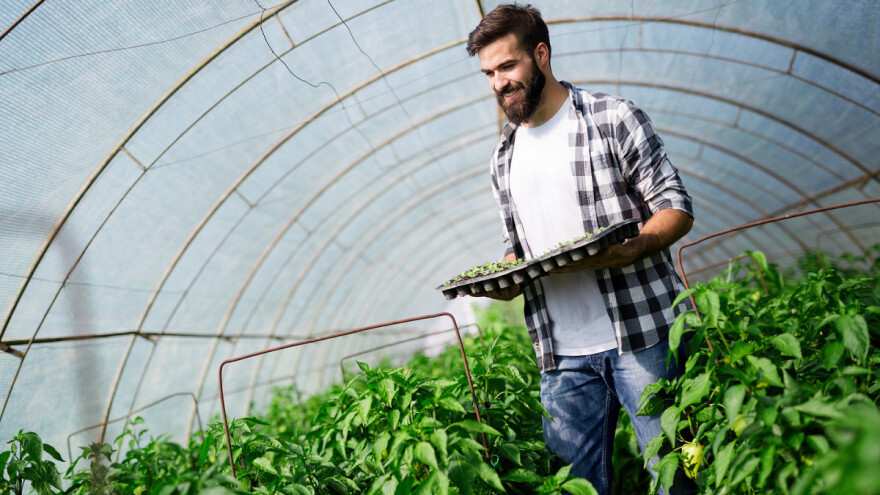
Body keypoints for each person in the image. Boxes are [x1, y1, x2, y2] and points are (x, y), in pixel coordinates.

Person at [466, 4, 696, 494]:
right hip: (561, 354)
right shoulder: (503, 158)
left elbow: (675, 205)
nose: (497, 83)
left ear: (541, 55)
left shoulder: (613, 118)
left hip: (643, 335)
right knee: (574, 487)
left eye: (507, 66)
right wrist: (506, 279)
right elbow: (517, 248)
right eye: (488, 72)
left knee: (675, 477)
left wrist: (636, 247)